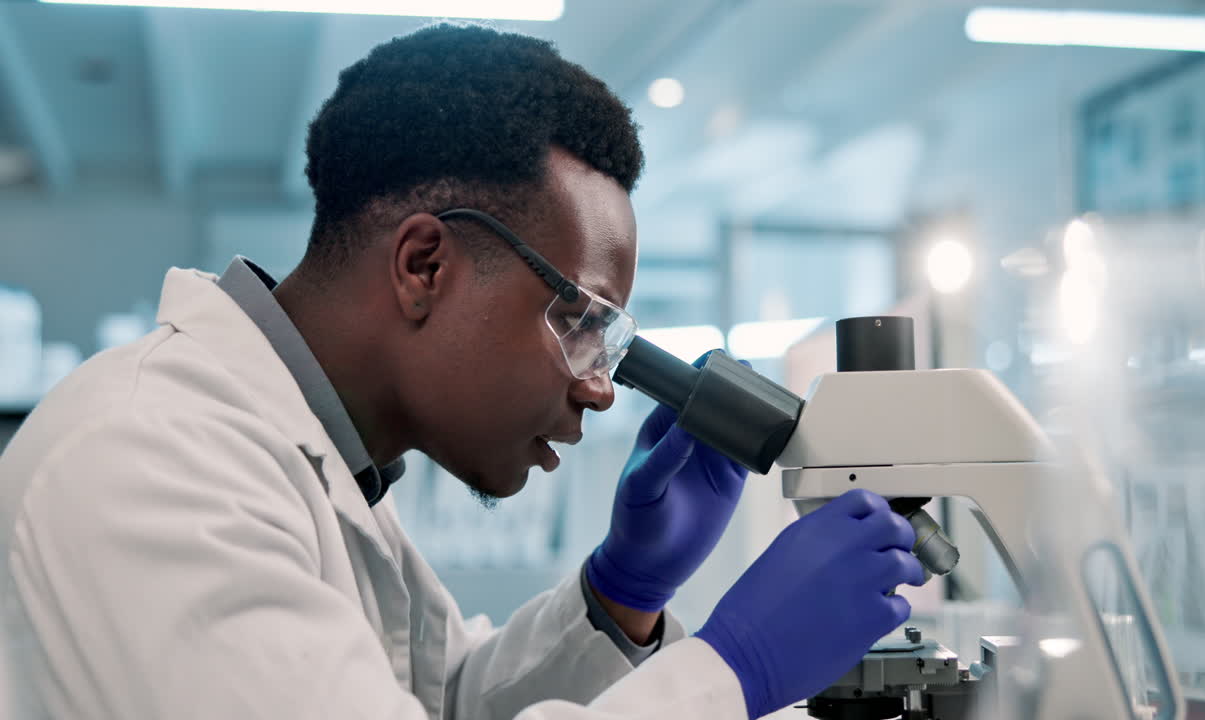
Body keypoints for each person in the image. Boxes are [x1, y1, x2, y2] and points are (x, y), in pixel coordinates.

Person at [0, 23, 923, 720]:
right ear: (424, 267)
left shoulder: (323, 465)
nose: (600, 386)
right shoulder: (149, 458)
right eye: (576, 317)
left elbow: (443, 702)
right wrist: (733, 669)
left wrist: (618, 598)